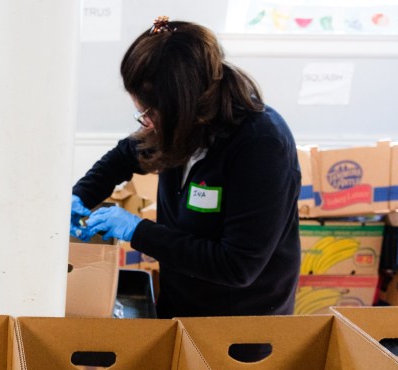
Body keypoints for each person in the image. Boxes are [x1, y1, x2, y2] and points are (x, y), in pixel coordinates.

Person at [71, 16, 301, 320]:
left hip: (240, 322)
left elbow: (236, 265)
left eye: (149, 113)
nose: (146, 123)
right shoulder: (185, 124)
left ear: (185, 105)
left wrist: (136, 229)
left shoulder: (261, 146)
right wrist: (80, 196)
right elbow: (126, 155)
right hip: (182, 300)